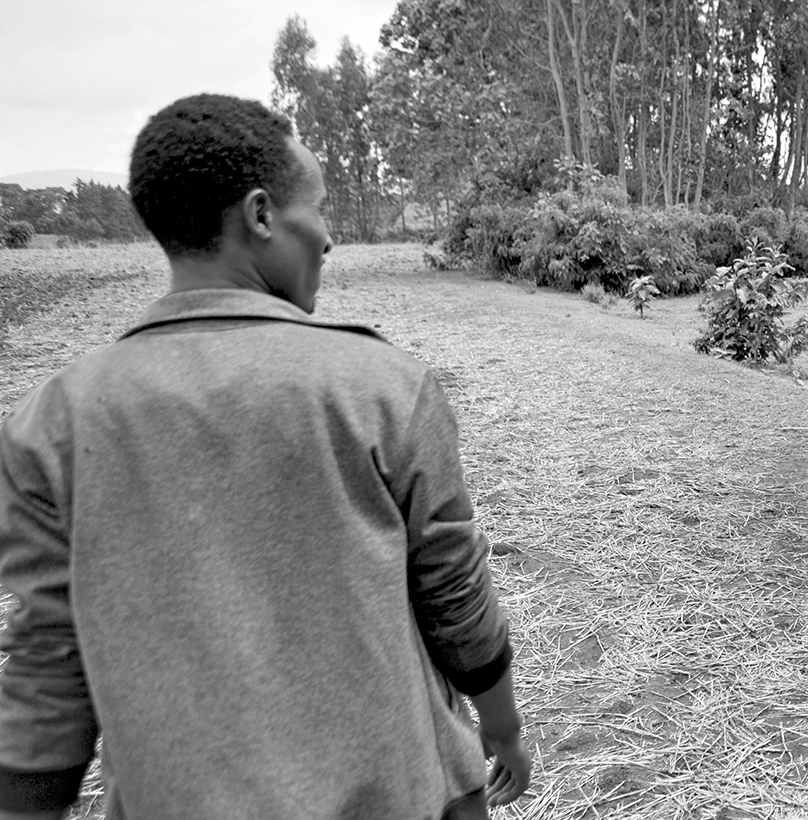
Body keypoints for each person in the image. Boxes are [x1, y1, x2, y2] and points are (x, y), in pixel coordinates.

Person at [0, 94, 531, 819]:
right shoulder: (381, 386)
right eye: (316, 210)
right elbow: (455, 595)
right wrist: (501, 726)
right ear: (259, 216)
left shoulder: (52, 423)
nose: (328, 239)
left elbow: (48, 667)